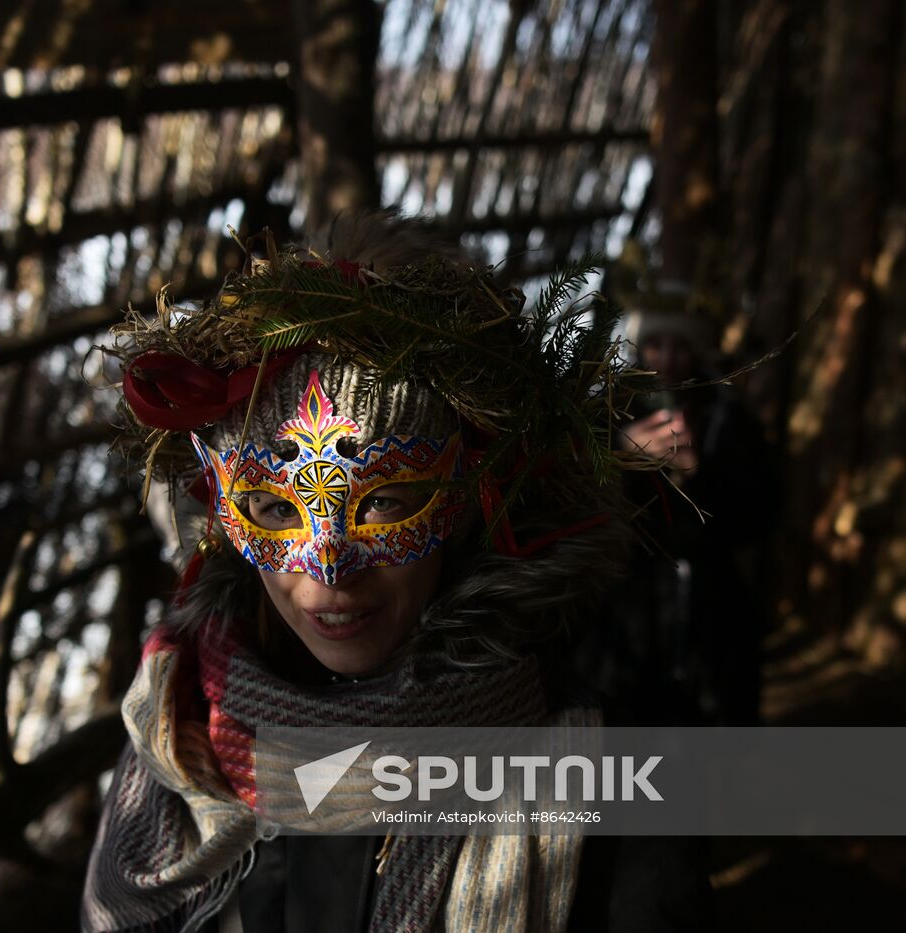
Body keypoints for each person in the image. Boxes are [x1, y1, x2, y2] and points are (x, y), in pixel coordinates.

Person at [82, 212, 710, 932]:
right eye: (276, 508)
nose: (329, 567)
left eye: (382, 500)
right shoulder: (176, 739)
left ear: (473, 497)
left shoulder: (610, 794)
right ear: (225, 514)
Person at [583, 288, 776, 726]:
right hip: (625, 612)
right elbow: (572, 494)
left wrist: (697, 473)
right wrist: (621, 453)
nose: (667, 359)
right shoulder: (607, 410)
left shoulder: (728, 417)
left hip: (711, 618)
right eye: (656, 344)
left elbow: (760, 513)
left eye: (681, 345)